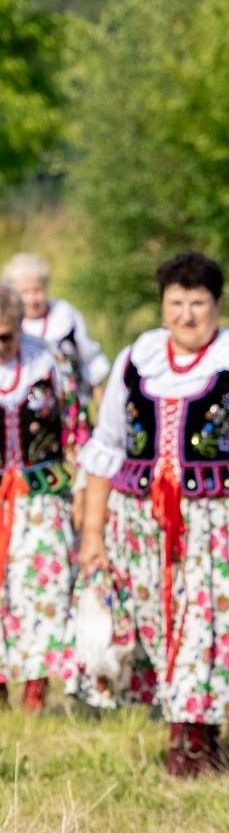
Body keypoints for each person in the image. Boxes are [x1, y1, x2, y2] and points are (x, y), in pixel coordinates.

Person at [75, 253, 229, 775]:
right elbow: (107, 447)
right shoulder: (137, 358)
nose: (187, 315)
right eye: (176, 303)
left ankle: (188, 747)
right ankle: (200, 737)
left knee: (203, 627)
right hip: (139, 524)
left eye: (198, 303)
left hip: (220, 524)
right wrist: (93, 534)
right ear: (162, 305)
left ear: (218, 305)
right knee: (157, 626)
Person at [0, 283, 89, 711]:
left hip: (42, 496)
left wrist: (84, 492)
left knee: (42, 591)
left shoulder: (50, 362)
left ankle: (35, 687)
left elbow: (77, 428)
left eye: (4, 336)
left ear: (20, 326)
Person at [2, 253, 111, 403]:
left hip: (71, 403)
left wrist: (100, 405)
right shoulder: (8, 325)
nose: (32, 299)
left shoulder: (65, 316)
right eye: (25, 292)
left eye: (37, 290)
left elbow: (91, 361)